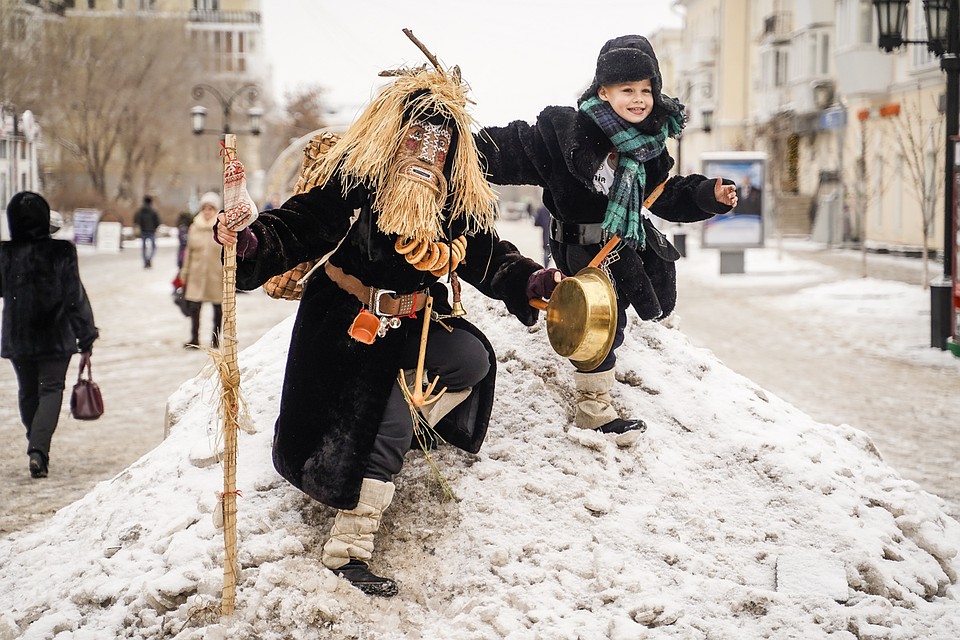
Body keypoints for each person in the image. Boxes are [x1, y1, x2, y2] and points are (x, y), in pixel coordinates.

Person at [215, 62, 560, 598]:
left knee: (471, 360)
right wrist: (251, 241)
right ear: (395, 134)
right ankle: (347, 549)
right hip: (348, 326)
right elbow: (300, 223)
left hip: (416, 320)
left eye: (439, 140)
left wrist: (530, 281)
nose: (426, 150)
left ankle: (404, 426)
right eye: (417, 134)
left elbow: (488, 255)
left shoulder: (450, 199)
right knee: (379, 417)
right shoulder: (357, 182)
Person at [475, 34, 738, 437]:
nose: (638, 99)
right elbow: (510, 150)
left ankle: (612, 372)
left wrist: (708, 195)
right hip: (580, 246)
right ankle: (594, 410)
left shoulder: (649, 146)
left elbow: (663, 194)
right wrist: (455, 147)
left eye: (646, 90)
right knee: (599, 324)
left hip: (621, 245)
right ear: (603, 91)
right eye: (626, 90)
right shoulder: (565, 136)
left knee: (622, 314)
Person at [0, 192, 99, 478]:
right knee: (51, 389)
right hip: (55, 335)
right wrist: (87, 335)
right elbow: (74, 296)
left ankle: (36, 444)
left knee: (28, 391)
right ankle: (38, 449)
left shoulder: (6, 254)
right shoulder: (61, 252)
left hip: (18, 336)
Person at [179, 192, 224, 348]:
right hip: (196, 274)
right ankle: (194, 339)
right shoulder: (194, 227)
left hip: (216, 275)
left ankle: (216, 339)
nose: (207, 211)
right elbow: (188, 252)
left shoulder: (222, 228)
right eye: (205, 208)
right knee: (195, 308)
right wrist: (184, 272)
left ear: (216, 210)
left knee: (218, 309)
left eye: (211, 208)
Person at [133, 195, 160, 268]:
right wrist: (154, 228)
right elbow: (157, 221)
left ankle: (145, 260)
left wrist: (140, 227)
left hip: (143, 231)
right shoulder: (153, 211)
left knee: (144, 247)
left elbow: (136, 220)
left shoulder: (140, 211)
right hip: (151, 231)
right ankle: (149, 258)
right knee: (153, 247)